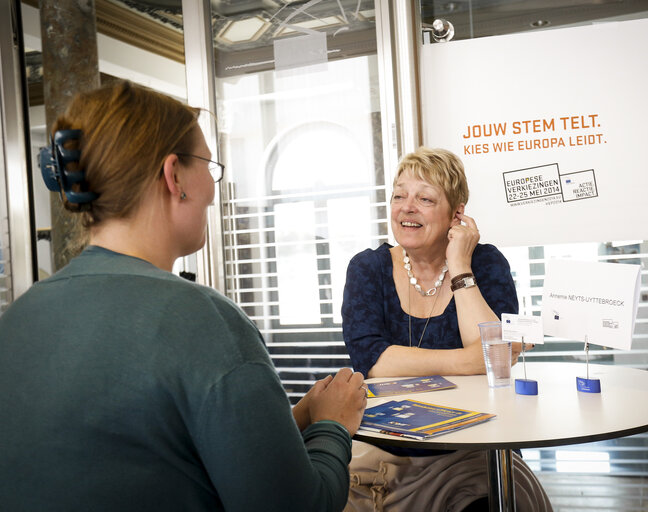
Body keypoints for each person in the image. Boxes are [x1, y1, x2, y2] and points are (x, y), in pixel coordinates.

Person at [0, 80, 367, 512]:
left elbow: (150, 462)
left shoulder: (16, 320)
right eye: (208, 168)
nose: (213, 188)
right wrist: (333, 427)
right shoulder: (209, 323)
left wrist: (296, 420)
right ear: (174, 175)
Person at [341, 147, 552, 512]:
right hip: (386, 450)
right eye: (399, 195)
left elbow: (496, 358)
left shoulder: (485, 263)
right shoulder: (367, 268)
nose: (407, 207)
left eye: (424, 198)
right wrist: (471, 360)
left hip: (472, 446)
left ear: (457, 214)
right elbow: (371, 360)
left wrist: (460, 267)